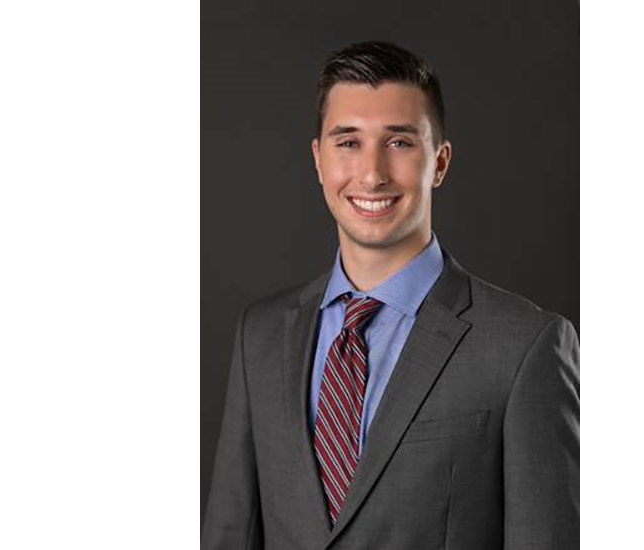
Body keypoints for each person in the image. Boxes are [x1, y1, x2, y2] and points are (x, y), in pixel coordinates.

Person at [202, 40, 579, 550]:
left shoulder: (525, 347)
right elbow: (229, 534)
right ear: (318, 160)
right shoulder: (262, 335)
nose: (373, 174)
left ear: (439, 162)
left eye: (399, 142)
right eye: (348, 142)